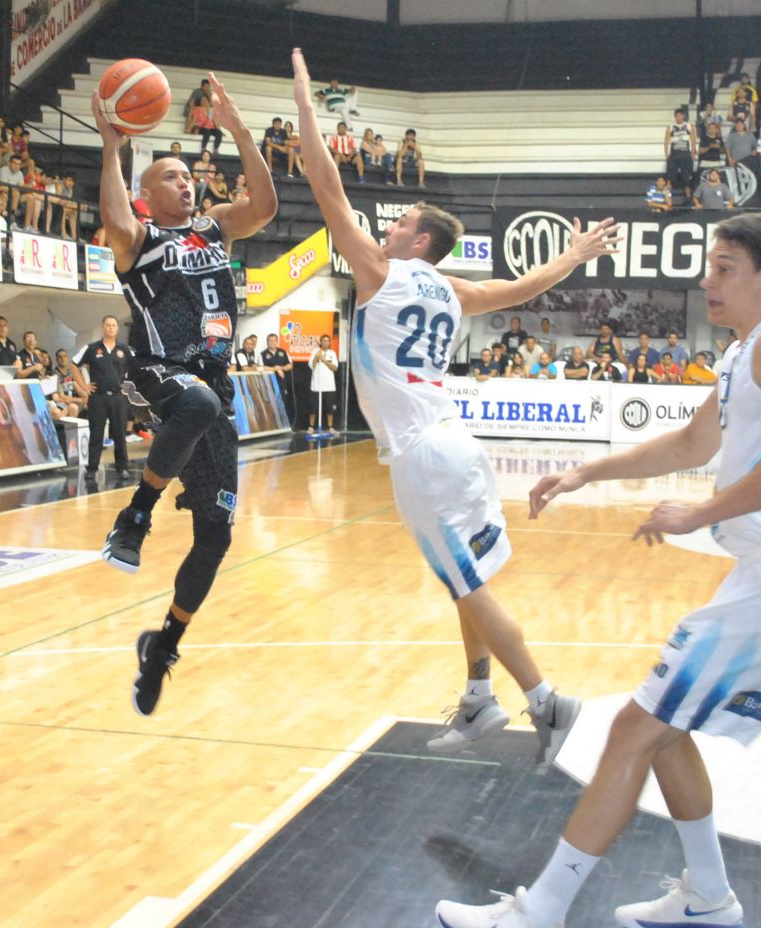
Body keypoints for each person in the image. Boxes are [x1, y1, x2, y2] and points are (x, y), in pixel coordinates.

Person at [436, 211, 761, 928]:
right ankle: (708, 897)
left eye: (724, 268)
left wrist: (701, 511)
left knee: (634, 728)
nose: (708, 280)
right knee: (664, 731)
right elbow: (693, 442)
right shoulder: (745, 350)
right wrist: (585, 471)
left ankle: (540, 911)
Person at [293, 47, 619, 764]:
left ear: (420, 240)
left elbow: (324, 183)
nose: (385, 229)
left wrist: (307, 106)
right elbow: (525, 288)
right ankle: (479, 697)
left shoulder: (379, 272)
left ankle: (547, 702)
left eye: (398, 223)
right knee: (466, 582)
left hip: (423, 456)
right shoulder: (455, 290)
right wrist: (575, 255)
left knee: (469, 588)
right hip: (456, 442)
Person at [90, 70, 276, 716]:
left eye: (188, 175)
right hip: (160, 369)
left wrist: (239, 130)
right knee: (195, 402)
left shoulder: (216, 227)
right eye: (170, 177)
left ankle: (162, 647)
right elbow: (113, 218)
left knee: (215, 536)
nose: (185, 182)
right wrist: (111, 147)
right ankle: (134, 518)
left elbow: (265, 207)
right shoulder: (140, 241)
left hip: (215, 386)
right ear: (146, 194)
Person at [70, 315, 132, 482]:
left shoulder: (124, 349)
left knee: (120, 434)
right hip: (98, 398)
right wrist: (84, 386)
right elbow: (74, 364)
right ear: (103, 327)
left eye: (113, 325)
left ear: (117, 328)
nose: (111, 328)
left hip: (118, 397)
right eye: (108, 325)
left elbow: (136, 368)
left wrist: (129, 387)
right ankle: (92, 469)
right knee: (96, 434)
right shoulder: (92, 348)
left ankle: (122, 468)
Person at [308, 333, 338, 431]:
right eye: (323, 340)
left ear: (329, 343)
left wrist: (324, 360)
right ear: (320, 342)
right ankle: (311, 426)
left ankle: (330, 427)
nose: (325, 342)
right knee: (313, 407)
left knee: (329, 408)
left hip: (329, 386)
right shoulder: (315, 352)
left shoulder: (332, 353)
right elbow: (312, 366)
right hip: (316, 386)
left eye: (327, 341)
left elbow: (334, 368)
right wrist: (316, 358)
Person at [260, 332, 293, 417]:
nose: (272, 342)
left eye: (274, 340)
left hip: (281, 383)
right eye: (270, 340)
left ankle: (283, 421)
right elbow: (261, 368)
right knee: (269, 404)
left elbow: (290, 365)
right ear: (267, 342)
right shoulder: (262, 354)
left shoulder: (283, 352)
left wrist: (280, 368)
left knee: (282, 402)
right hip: (268, 383)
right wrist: (276, 369)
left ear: (277, 342)